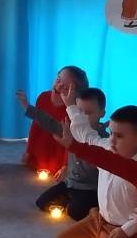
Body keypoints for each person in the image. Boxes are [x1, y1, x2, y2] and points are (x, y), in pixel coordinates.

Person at [56, 91, 137, 238]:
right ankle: (101, 237)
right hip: (100, 219)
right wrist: (71, 106)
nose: (112, 140)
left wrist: (126, 230)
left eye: (119, 136)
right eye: (111, 133)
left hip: (123, 229)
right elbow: (86, 135)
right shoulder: (107, 147)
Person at [31, 87, 105, 221]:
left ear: (102, 113)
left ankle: (91, 206)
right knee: (42, 202)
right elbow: (50, 123)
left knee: (75, 212)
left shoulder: (103, 140)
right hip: (70, 183)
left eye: (88, 113)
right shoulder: (71, 130)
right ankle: (72, 201)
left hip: (90, 188)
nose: (83, 118)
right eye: (79, 112)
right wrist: (28, 107)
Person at [17, 65, 88, 173]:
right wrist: (29, 150)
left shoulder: (73, 110)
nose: (58, 86)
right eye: (58, 80)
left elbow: (70, 141)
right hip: (41, 147)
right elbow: (36, 125)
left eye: (66, 87)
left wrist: (66, 166)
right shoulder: (43, 97)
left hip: (59, 153)